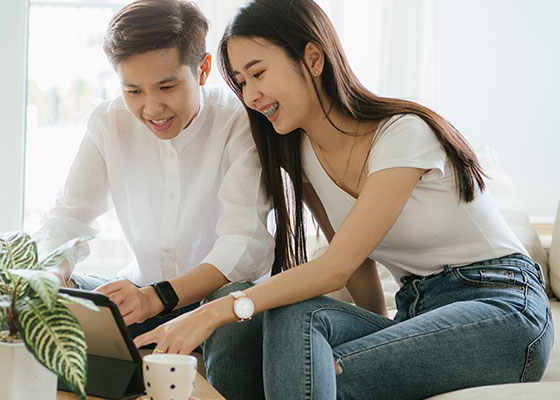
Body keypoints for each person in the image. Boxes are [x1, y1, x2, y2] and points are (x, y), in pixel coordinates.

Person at [133, 0, 555, 399]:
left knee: (307, 368)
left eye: (258, 74)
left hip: (500, 306)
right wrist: (380, 333)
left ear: (313, 58)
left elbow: (334, 267)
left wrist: (214, 311)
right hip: (416, 310)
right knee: (293, 314)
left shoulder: (403, 133)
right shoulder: (302, 156)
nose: (250, 96)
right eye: (241, 82)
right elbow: (356, 264)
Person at [32, 1, 339, 396]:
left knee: (232, 304)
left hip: (224, 301)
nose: (151, 107)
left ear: (203, 69)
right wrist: (50, 275)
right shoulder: (108, 124)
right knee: (62, 297)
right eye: (132, 90)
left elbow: (241, 243)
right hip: (144, 293)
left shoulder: (239, 122)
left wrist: (157, 298)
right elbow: (69, 218)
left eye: (166, 86)